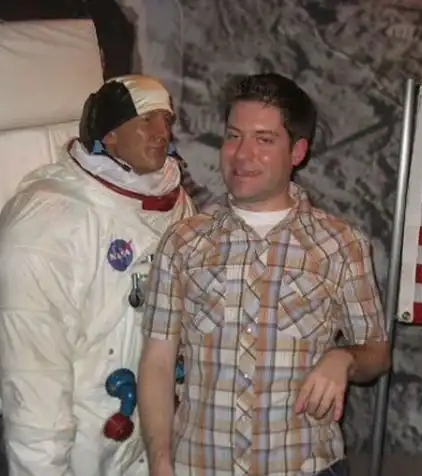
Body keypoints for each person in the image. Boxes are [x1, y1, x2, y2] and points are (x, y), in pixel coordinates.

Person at [138, 73, 391, 476]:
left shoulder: (342, 244)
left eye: (264, 139)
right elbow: (157, 362)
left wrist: (344, 358)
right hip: (199, 465)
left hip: (305, 466)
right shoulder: (183, 241)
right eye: (234, 136)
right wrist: (160, 461)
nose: (242, 154)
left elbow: (376, 353)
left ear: (298, 152)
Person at [0, 74, 197, 476]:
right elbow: (34, 381)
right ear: (110, 134)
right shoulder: (48, 221)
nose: (162, 132)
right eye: (147, 119)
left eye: (166, 120)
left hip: (159, 433)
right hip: (85, 444)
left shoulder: (175, 203)